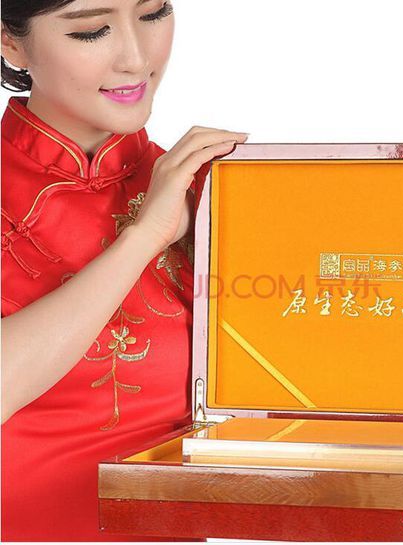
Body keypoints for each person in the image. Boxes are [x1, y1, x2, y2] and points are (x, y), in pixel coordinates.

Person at [0, 0, 248, 540]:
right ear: (10, 41)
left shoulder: (213, 191)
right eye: (92, 31)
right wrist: (144, 237)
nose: (137, 59)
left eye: (154, 13)